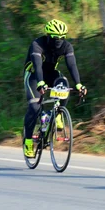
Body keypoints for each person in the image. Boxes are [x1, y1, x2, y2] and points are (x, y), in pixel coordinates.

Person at [22, 19, 87, 158]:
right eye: (56, 38)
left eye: (63, 37)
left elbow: (72, 65)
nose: (59, 40)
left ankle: (57, 115)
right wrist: (40, 83)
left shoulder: (67, 46)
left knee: (64, 84)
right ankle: (28, 141)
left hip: (51, 73)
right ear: (48, 36)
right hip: (34, 75)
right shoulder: (37, 44)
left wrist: (79, 84)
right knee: (34, 107)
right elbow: (38, 66)